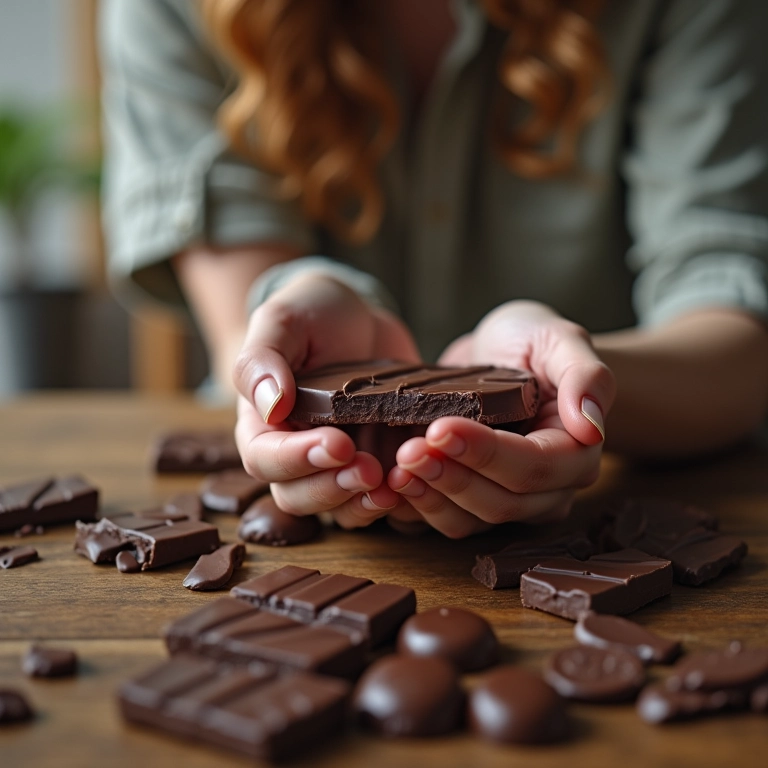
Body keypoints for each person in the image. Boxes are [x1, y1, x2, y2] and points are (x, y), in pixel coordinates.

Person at [100, 0, 768, 538]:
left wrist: (565, 387)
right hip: (316, 523)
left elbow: (736, 327)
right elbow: (243, 337)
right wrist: (302, 304)